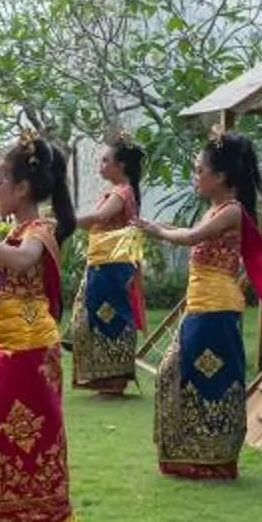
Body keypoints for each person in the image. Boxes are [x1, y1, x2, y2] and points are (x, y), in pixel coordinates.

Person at [134, 132, 262, 481]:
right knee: (175, 374)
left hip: (216, 310)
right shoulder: (217, 210)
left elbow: (190, 237)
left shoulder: (232, 211)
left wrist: (155, 232)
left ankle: (213, 459)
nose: (195, 176)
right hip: (202, 307)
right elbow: (190, 230)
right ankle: (189, 455)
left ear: (220, 176)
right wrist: (155, 226)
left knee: (209, 377)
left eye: (199, 169)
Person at [0, 136, 81, 522]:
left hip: (29, 349)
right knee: (4, 429)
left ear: (23, 188)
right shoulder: (15, 230)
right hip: (15, 347)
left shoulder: (40, 229)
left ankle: (41, 516)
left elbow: (23, 261)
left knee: (17, 430)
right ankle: (27, 515)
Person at [71, 139, 150, 396]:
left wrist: (66, 220)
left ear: (121, 165)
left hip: (112, 266)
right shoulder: (119, 191)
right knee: (93, 317)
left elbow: (101, 218)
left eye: (106, 160)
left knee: (109, 317)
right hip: (104, 264)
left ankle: (115, 376)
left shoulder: (121, 193)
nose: (101, 164)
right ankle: (106, 375)